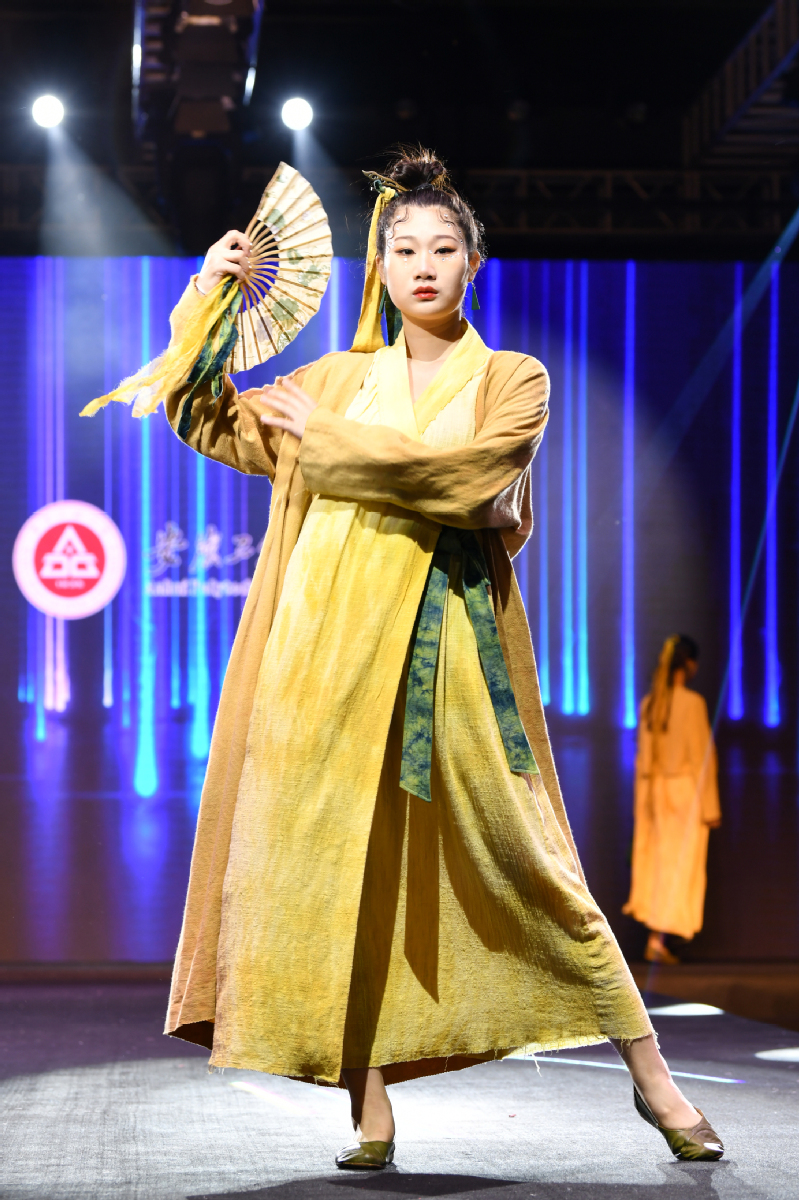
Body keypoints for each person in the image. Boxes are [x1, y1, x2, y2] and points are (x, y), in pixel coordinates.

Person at [161, 149, 724, 1166]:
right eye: (404, 249)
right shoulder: (334, 378)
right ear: (379, 269)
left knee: (535, 865)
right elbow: (206, 416)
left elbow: (470, 483)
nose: (422, 264)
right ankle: (369, 1108)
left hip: (447, 653)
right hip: (320, 660)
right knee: (339, 874)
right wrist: (208, 296)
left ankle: (654, 1080)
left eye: (442, 248)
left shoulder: (511, 379)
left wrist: (328, 441)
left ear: (474, 262)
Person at [624, 635, 721, 964]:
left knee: (662, 863)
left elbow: (643, 763)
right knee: (677, 865)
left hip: (656, 794)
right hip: (683, 794)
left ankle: (657, 938)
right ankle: (659, 938)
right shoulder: (690, 703)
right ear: (690, 664)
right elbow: (702, 758)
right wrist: (710, 807)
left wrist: (642, 807)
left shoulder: (651, 703)